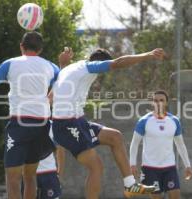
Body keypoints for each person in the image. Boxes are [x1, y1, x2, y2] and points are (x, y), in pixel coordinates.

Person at [51, 48, 166, 199]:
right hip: (66, 126)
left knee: (115, 137)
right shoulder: (89, 67)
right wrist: (147, 55)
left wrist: (62, 65)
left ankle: (130, 185)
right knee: (96, 167)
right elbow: (118, 63)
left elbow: (52, 95)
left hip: (77, 122)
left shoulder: (71, 69)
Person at [0, 31, 59, 199]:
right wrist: (48, 99)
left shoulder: (10, 64)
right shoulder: (50, 66)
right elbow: (60, 87)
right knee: (30, 176)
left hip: (20, 125)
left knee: (13, 178)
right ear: (40, 49)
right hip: (42, 125)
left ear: (21, 46)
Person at [129, 90, 192, 199]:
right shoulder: (144, 121)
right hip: (150, 168)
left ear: (166, 103)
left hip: (169, 167)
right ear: (152, 103)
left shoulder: (174, 121)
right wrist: (132, 164)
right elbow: (134, 143)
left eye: (161, 100)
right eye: (155, 100)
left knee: (176, 196)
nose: (158, 103)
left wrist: (187, 165)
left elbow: (180, 145)